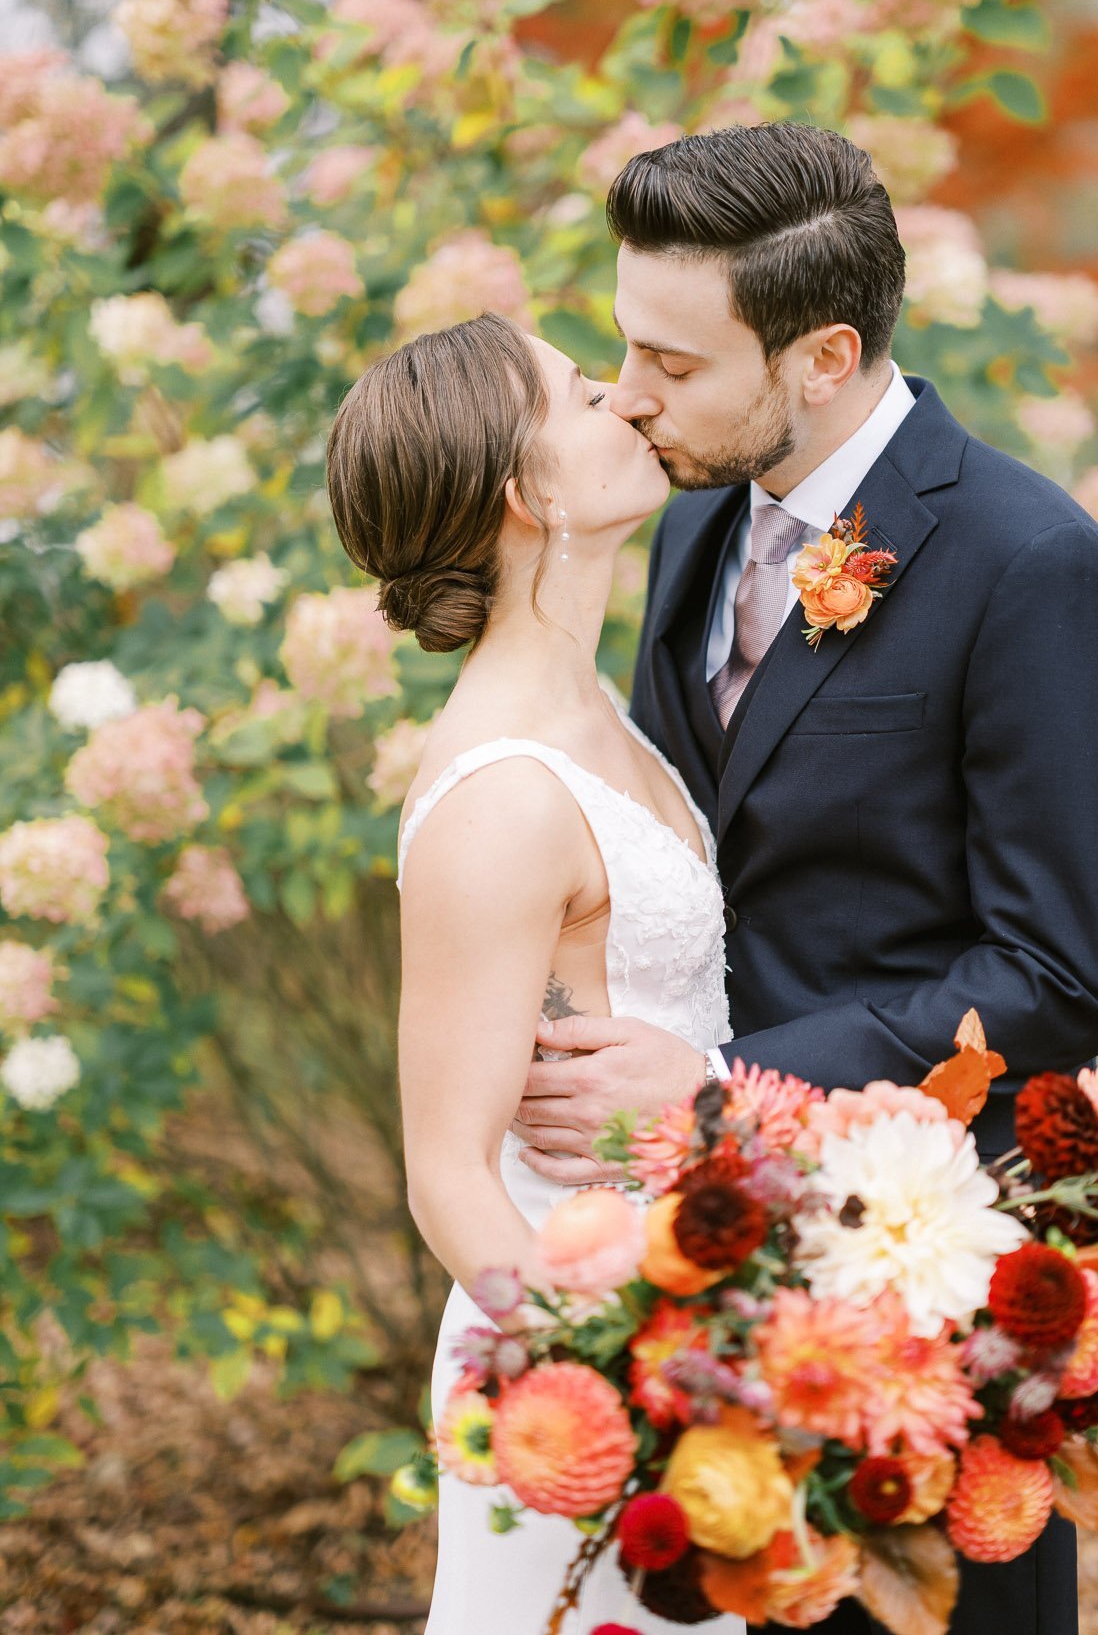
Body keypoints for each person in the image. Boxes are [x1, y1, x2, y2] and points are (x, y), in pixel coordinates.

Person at [509, 120, 1098, 1635]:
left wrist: (721, 1090)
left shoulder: (1031, 564)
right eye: (624, 345)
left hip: (930, 1265)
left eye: (674, 363)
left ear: (822, 356)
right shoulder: (689, 528)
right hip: (698, 1258)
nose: (627, 393)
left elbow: (1055, 976)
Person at [325, 312, 745, 1634]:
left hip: (690, 1310)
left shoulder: (597, 713)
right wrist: (595, 1387)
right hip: (577, 1355)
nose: (624, 397)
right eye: (580, 390)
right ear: (528, 489)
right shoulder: (499, 793)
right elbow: (446, 1172)